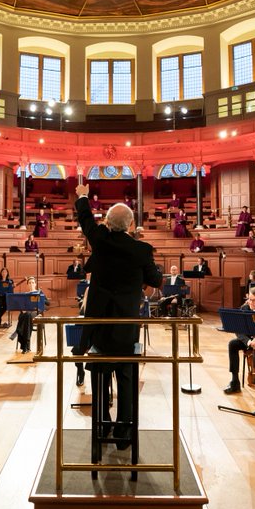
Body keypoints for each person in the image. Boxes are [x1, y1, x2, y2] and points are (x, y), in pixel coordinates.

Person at [74, 183, 162, 444]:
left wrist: (82, 196)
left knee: (100, 377)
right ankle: (124, 431)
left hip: (99, 326)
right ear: (132, 224)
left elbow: (86, 219)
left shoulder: (100, 240)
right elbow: (156, 280)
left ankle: (102, 428)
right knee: (126, 377)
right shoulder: (142, 250)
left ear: (108, 224)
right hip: (126, 328)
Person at [11, 277, 45, 353]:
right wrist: (22, 309)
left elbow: (46, 304)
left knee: (27, 316)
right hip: (26, 313)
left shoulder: (39, 293)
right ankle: (26, 345)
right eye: (29, 283)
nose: (31, 284)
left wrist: (40, 298)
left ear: (35, 284)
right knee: (26, 315)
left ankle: (21, 338)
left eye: (33, 282)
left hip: (35, 312)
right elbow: (21, 306)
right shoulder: (25, 295)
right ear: (27, 285)